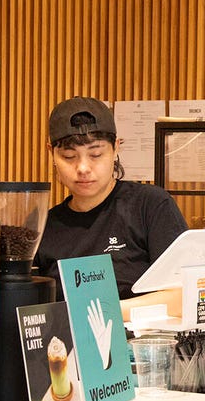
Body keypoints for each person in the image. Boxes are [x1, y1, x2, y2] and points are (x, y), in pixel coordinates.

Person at [34, 96, 188, 320]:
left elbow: (183, 296)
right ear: (52, 154)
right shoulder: (44, 226)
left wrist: (98, 311)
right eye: (69, 156)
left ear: (116, 148)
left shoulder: (150, 205)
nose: (83, 167)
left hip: (144, 350)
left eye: (96, 154)